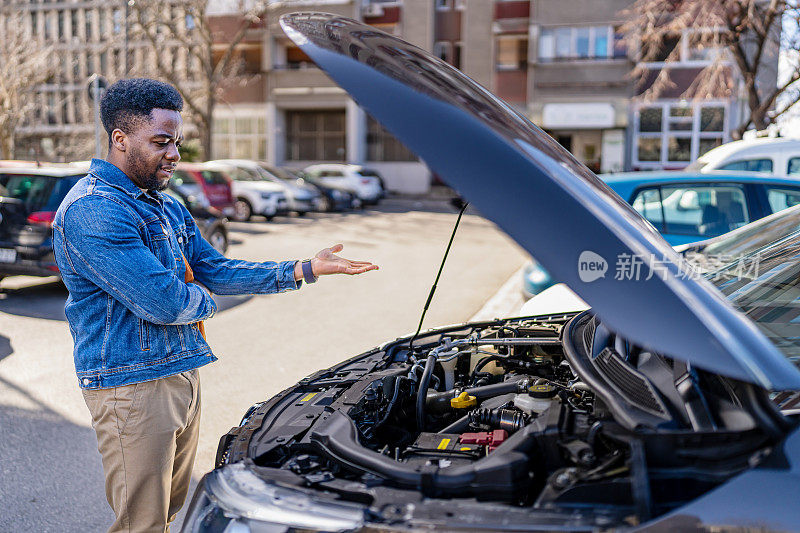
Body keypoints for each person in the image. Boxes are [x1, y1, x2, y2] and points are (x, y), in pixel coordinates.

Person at [52, 78, 378, 533]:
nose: (174, 155)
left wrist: (304, 269)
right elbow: (165, 303)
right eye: (161, 142)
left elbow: (215, 268)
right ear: (119, 139)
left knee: (167, 511)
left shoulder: (162, 205)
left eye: (177, 142)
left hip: (181, 371)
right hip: (132, 386)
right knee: (140, 524)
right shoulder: (94, 210)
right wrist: (203, 300)